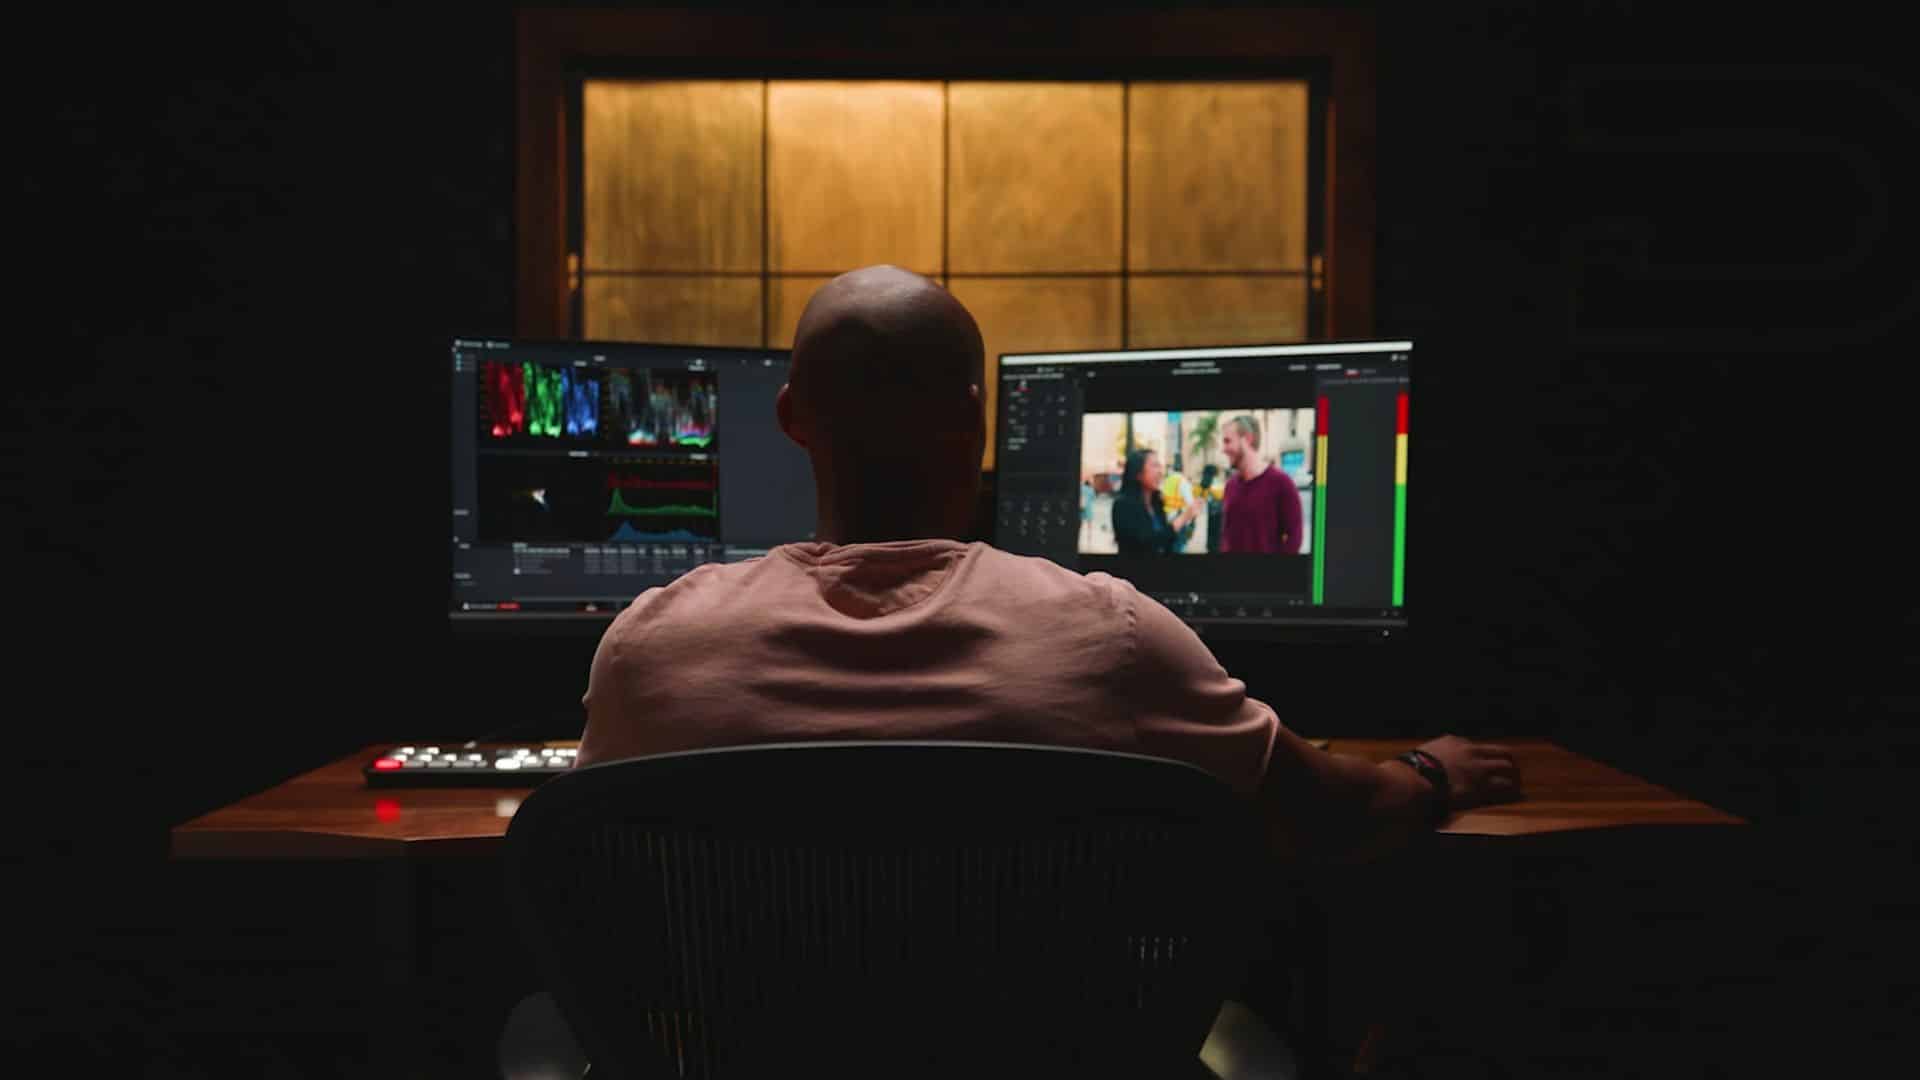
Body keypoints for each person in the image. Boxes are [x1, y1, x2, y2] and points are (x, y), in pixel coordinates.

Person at [578, 265, 1521, 864]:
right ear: (979, 420)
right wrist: (1429, 772)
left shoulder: (652, 650)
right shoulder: (1110, 637)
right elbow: (1334, 809)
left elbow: (584, 873)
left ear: (790, 418)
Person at [1220, 415, 1304, 555]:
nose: (1223, 449)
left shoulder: (1282, 483)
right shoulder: (1230, 485)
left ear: (1247, 439)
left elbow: (1294, 538)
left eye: (1228, 441)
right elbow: (1226, 535)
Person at [1112, 448, 1198, 555]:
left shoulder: (1156, 502)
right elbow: (1147, 543)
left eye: (1160, 466)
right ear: (1138, 472)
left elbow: (1166, 543)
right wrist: (1183, 518)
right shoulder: (1123, 505)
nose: (1160, 472)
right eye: (1154, 465)